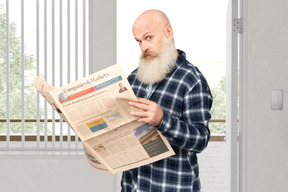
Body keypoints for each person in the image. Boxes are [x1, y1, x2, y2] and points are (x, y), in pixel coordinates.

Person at [121, 9, 213, 192]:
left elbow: (200, 140)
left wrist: (163, 120)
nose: (143, 47)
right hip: (133, 185)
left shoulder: (192, 80)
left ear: (168, 32)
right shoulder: (133, 78)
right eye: (138, 41)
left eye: (148, 38)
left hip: (171, 186)